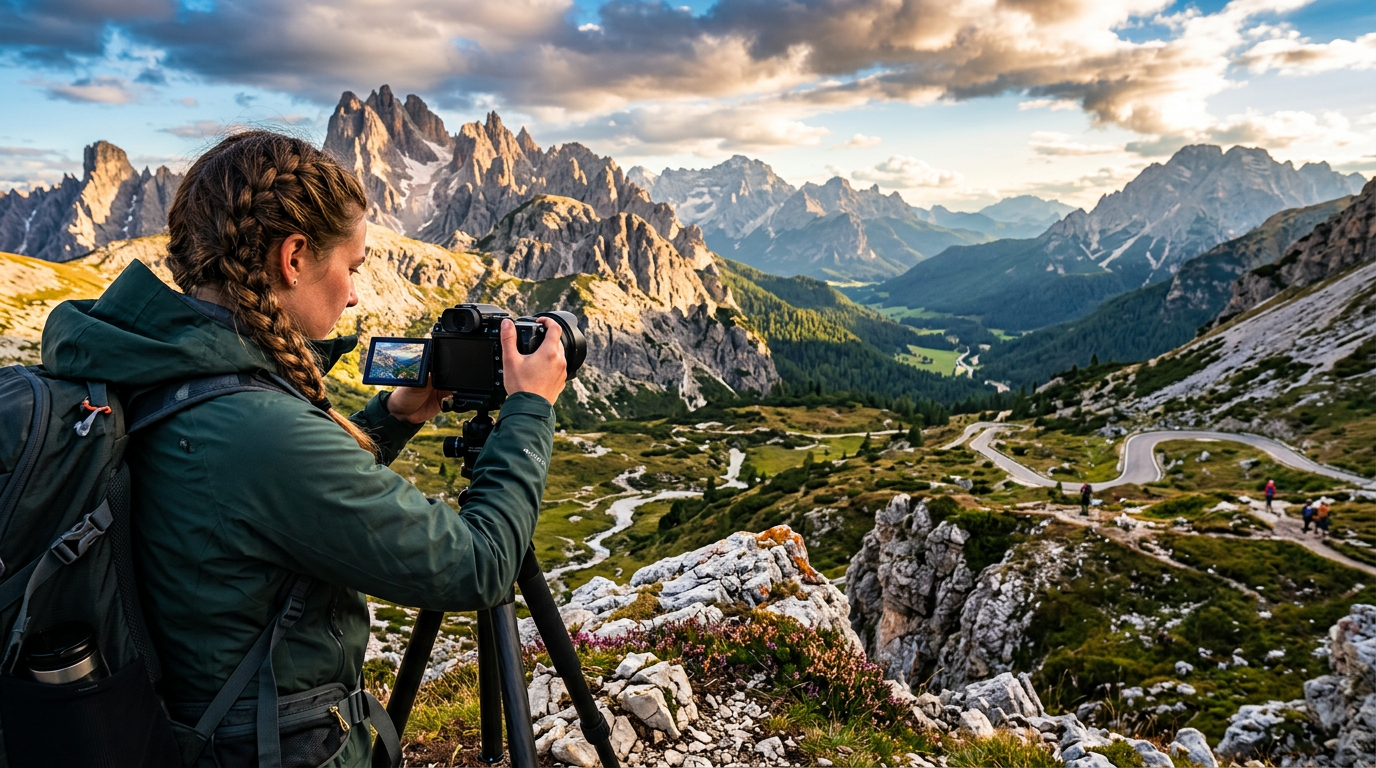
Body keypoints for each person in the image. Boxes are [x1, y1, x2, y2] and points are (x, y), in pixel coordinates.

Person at [40, 131, 569, 767]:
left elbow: (282, 497)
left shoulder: (153, 362)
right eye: (352, 268)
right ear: (293, 259)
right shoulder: (255, 428)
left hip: (184, 729)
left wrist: (391, 419)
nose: (352, 295)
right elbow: (479, 566)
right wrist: (530, 408)